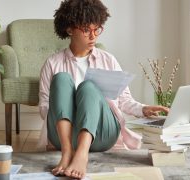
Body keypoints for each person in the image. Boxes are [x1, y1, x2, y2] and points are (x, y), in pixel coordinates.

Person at [38, 0, 169, 179]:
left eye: (97, 29)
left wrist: (143, 109)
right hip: (64, 135)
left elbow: (123, 100)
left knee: (88, 87)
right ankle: (67, 153)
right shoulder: (53, 63)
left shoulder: (108, 60)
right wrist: (69, 108)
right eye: (86, 30)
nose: (93, 36)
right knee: (61, 78)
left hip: (101, 132)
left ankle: (82, 154)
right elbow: (44, 106)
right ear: (69, 29)